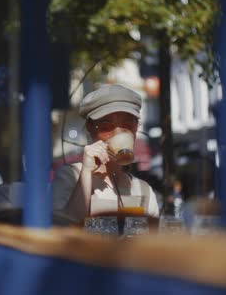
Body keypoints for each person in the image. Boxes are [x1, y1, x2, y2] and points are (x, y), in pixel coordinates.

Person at [52, 84, 159, 222]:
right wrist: (86, 173)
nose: (118, 133)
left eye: (127, 125)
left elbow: (154, 240)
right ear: (90, 129)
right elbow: (63, 229)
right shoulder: (70, 176)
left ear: (136, 127)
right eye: (106, 127)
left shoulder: (143, 190)